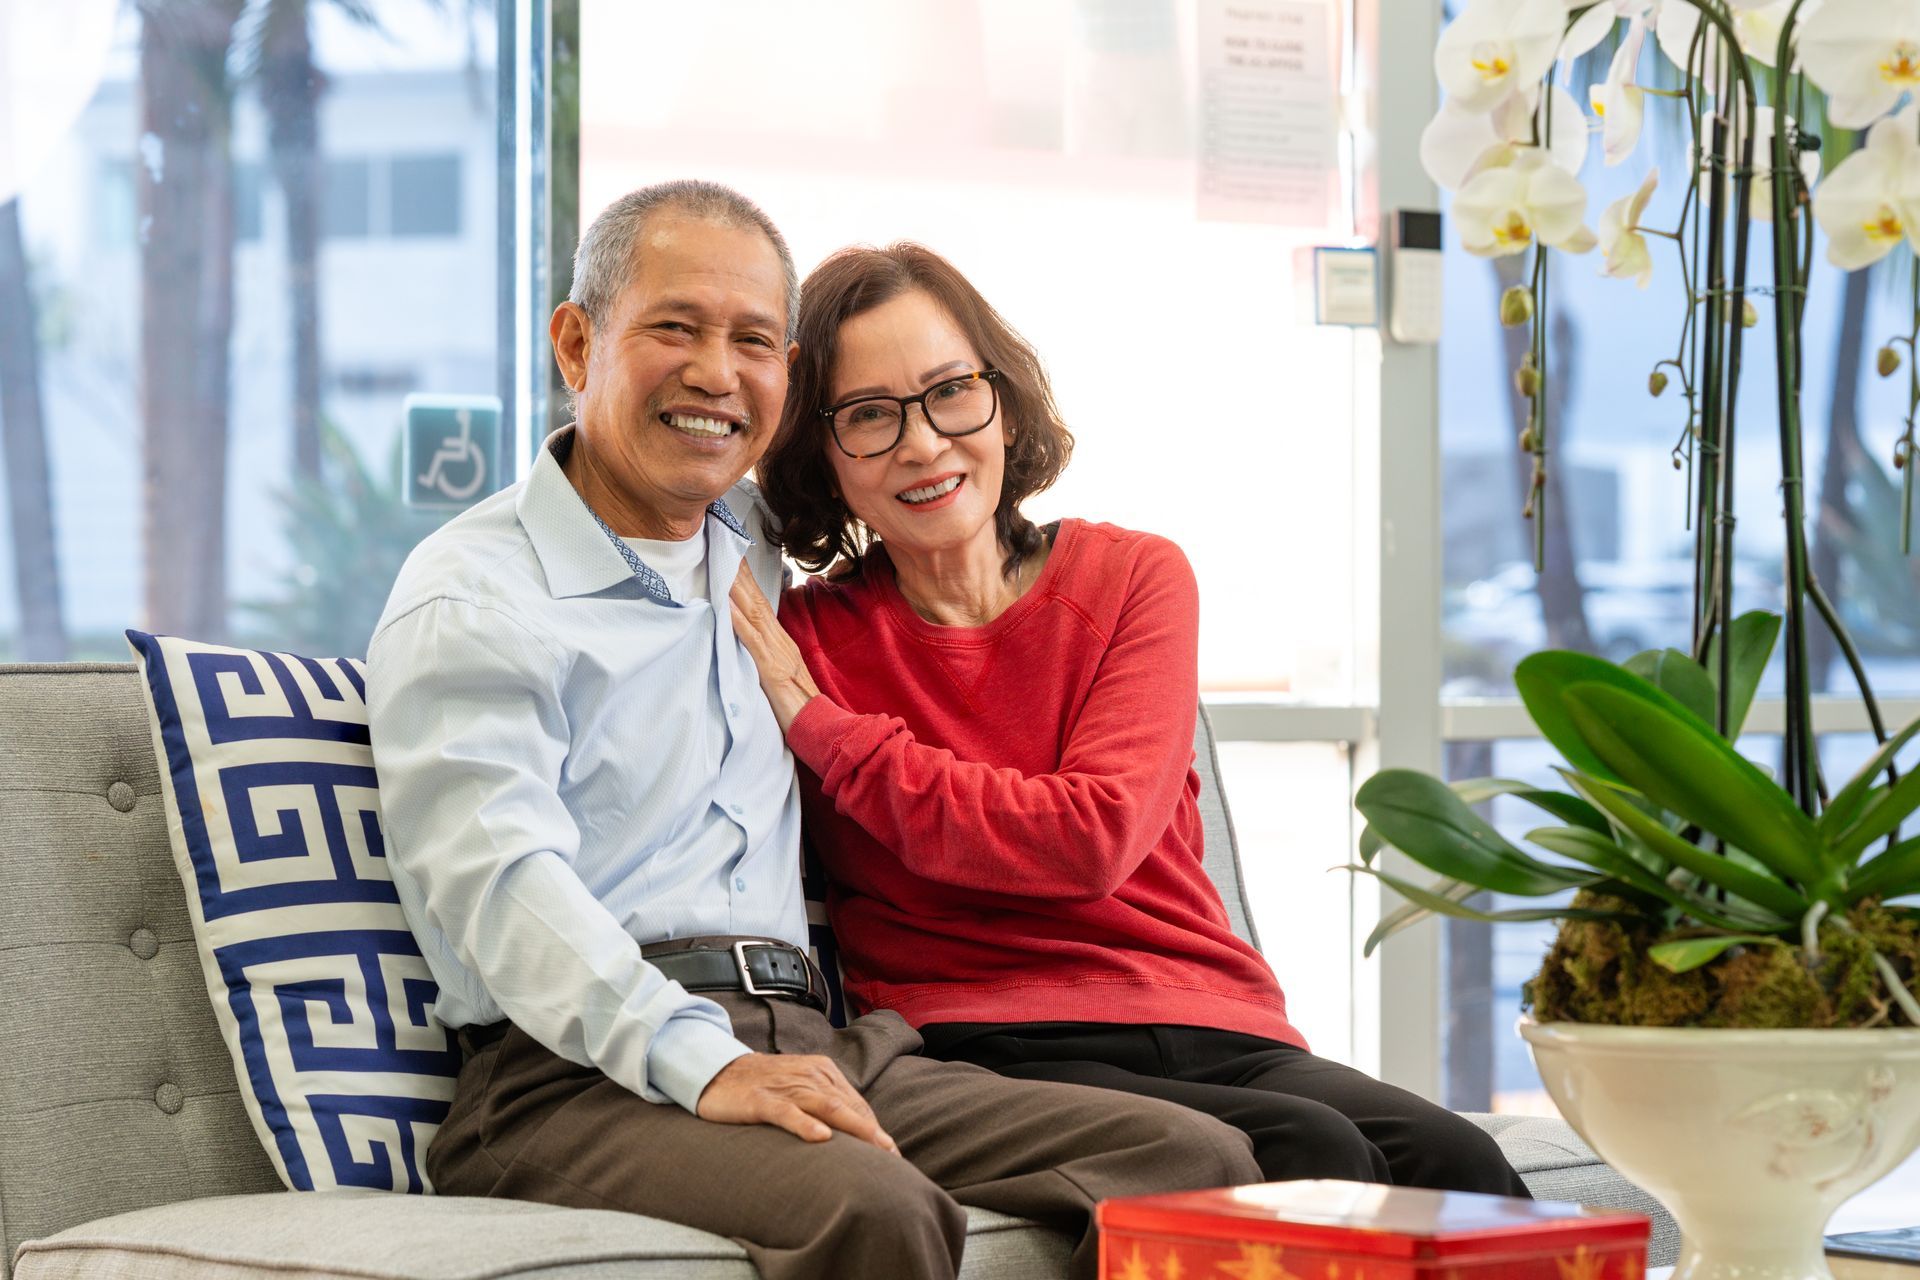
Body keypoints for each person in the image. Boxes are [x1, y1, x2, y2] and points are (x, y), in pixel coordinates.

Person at [364, 182, 1262, 1280]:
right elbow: (503, 892)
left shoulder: (743, 540)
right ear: (575, 341)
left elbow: (904, 471)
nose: (714, 373)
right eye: (675, 328)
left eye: (752, 341)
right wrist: (702, 1060)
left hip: (815, 1031)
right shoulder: (476, 596)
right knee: (871, 1203)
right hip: (569, 1070)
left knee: (1190, 1156)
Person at [732, 241, 1531, 1197]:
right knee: (1312, 1156)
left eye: (951, 392)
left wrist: (828, 731)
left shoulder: (1133, 578)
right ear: (822, 457)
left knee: (1459, 1164)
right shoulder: (806, 641)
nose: (923, 442)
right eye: (869, 416)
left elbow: (1091, 837)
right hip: (980, 1037)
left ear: (1004, 398)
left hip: (1208, 1015)